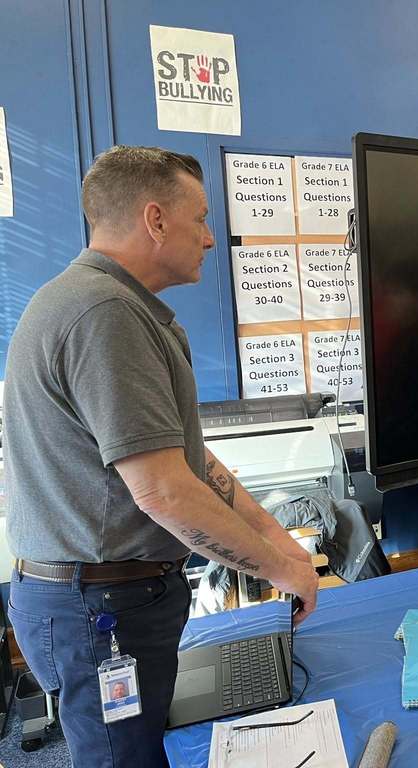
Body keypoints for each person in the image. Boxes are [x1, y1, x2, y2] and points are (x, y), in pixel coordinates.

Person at [3, 146, 320, 768]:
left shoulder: (114, 306)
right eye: (199, 218)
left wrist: (279, 546)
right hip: (98, 608)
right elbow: (164, 492)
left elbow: (193, 466)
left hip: (108, 598)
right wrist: (280, 572)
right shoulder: (105, 314)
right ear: (155, 220)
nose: (208, 238)